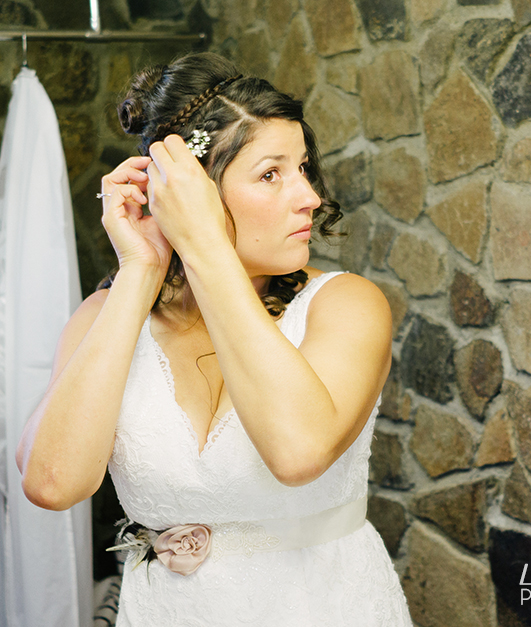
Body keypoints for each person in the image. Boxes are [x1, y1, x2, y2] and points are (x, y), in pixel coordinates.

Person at [15, 52, 412, 626]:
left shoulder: (346, 305)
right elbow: (53, 484)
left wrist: (203, 250)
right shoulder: (108, 315)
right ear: (188, 192)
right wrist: (140, 273)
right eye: (272, 174)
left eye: (302, 168)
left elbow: (298, 453)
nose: (310, 197)